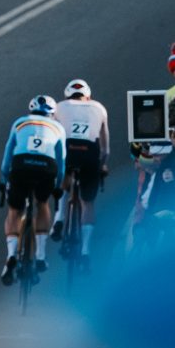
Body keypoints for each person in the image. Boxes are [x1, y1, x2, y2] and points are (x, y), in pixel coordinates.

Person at [0, 94, 67, 285]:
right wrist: (57, 185)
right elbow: (62, 161)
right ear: (53, 114)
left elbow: (8, 153)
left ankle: (12, 254)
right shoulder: (58, 128)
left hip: (21, 166)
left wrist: (4, 178)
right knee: (43, 203)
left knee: (14, 210)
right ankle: (40, 254)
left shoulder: (20, 122)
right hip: (46, 167)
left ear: (31, 110)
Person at [51, 76, 110, 249]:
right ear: (88, 96)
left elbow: (52, 136)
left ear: (68, 96)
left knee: (63, 175)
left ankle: (59, 217)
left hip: (67, 150)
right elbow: (106, 148)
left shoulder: (59, 107)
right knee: (88, 203)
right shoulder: (99, 107)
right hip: (90, 152)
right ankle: (85, 250)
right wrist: (102, 165)